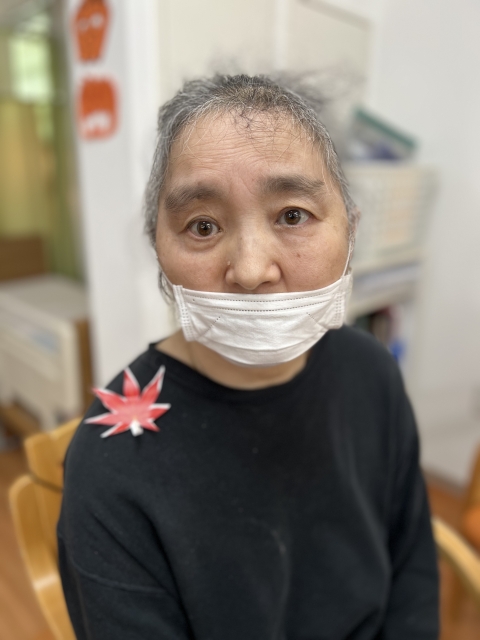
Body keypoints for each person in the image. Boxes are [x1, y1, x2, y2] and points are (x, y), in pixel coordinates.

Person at [58, 74, 439, 639]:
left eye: (292, 215)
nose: (252, 270)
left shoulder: (372, 371)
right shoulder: (111, 467)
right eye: (203, 226)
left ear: (351, 229)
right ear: (159, 248)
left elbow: (412, 569)